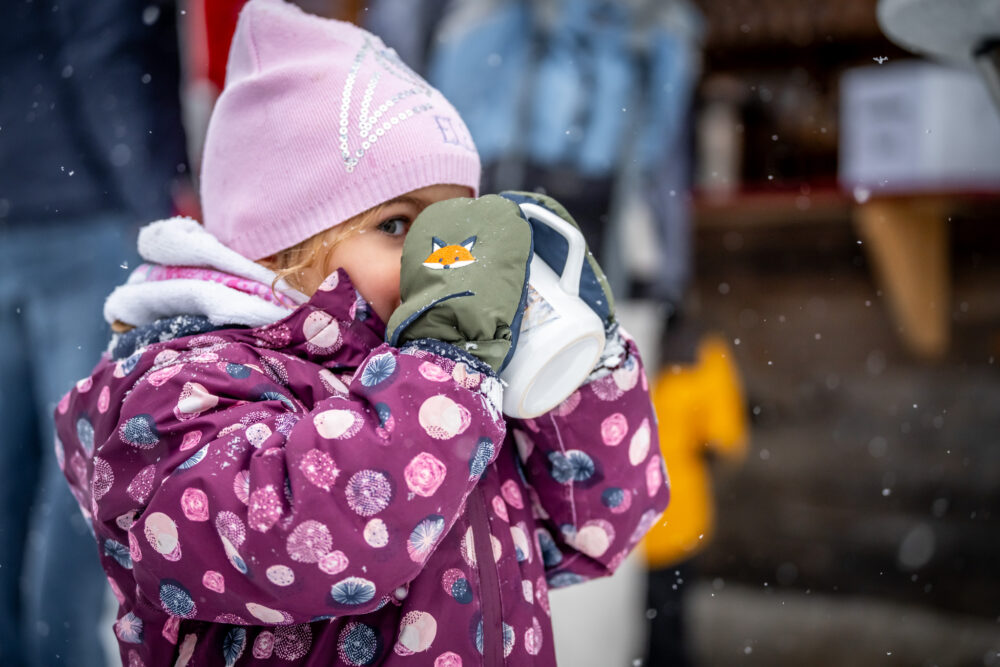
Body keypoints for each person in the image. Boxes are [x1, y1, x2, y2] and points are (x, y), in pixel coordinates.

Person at [51, 1, 668, 664]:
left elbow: (591, 528)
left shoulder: (441, 383)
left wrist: (586, 361)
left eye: (457, 226)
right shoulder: (181, 390)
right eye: (399, 226)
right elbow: (301, 543)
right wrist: (445, 367)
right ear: (281, 245)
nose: (443, 259)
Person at [0, 1, 188, 664]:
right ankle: (61, 652)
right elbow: (104, 49)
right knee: (84, 470)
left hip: (17, 206)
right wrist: (152, 208)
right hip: (80, 204)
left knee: (14, 469)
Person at [642, 330, 748, 666]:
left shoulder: (698, 354)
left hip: (655, 522)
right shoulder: (702, 353)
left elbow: (724, 440)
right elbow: (725, 440)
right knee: (665, 621)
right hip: (671, 518)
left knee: (660, 623)